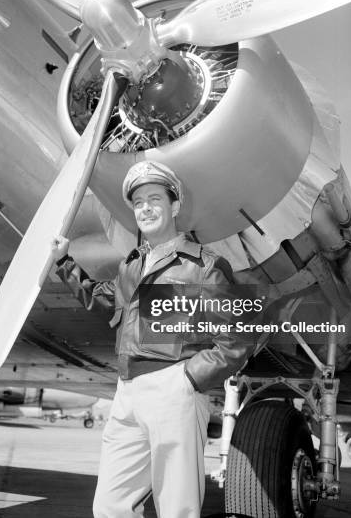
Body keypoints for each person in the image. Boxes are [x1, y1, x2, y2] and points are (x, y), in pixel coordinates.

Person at [52, 160, 256, 518]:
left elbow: (236, 341)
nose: (145, 208)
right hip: (127, 392)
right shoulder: (132, 267)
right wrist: (64, 262)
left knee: (176, 509)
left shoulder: (203, 266)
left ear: (174, 206)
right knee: (110, 507)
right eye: (138, 202)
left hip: (172, 392)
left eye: (154, 199)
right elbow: (104, 300)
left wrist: (186, 379)